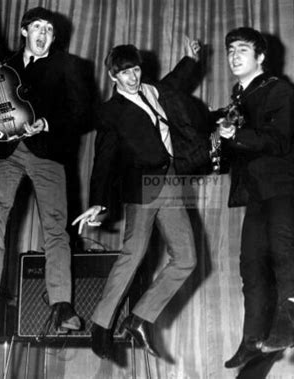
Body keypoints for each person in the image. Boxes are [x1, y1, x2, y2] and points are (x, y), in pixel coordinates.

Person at [73, 38, 208, 359]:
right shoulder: (110, 113)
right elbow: (103, 160)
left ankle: (139, 318)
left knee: (187, 259)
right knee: (133, 254)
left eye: (135, 70)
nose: (132, 77)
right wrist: (97, 201)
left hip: (171, 180)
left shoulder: (150, 90)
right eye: (124, 73)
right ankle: (101, 327)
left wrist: (189, 60)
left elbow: (174, 83)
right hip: (143, 187)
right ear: (113, 77)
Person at [0, 7, 89, 334]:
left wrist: (48, 123)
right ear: (24, 31)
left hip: (48, 153)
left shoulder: (68, 65)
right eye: (37, 27)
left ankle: (61, 305)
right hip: (8, 150)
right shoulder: (3, 63)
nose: (43, 33)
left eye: (49, 29)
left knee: (55, 228)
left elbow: (83, 113)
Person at [218, 27, 294, 369]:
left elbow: (279, 140)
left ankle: (287, 323)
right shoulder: (237, 98)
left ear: (261, 57)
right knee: (251, 263)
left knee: (283, 249)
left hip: (284, 186)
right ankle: (252, 338)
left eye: (243, 49)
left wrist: (235, 134)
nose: (234, 55)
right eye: (230, 50)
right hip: (256, 193)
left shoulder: (278, 89)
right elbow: (240, 146)